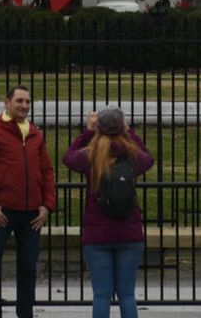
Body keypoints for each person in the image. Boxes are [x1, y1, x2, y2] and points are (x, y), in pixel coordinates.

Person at [0, 84, 57, 318]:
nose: (24, 105)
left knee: (28, 270)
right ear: (7, 103)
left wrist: (47, 206)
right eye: (19, 101)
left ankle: (25, 313)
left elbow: (47, 173)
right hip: (1, 213)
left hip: (32, 215)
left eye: (27, 101)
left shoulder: (36, 135)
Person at [62, 106, 154, 318]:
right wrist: (128, 131)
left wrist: (87, 131)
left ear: (99, 128)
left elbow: (68, 157)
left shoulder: (90, 155)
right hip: (129, 232)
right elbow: (148, 159)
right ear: (122, 126)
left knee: (101, 296)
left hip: (97, 234)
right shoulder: (131, 154)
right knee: (127, 295)